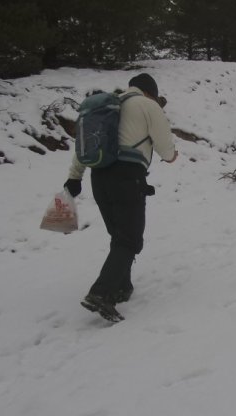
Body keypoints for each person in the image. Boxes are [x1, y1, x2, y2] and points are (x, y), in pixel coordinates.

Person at [63, 73, 178, 322]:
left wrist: (75, 176)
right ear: (150, 93)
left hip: (99, 177)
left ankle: (122, 287)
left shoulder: (107, 106)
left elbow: (87, 146)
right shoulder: (148, 105)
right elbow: (165, 149)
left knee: (119, 235)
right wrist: (171, 155)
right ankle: (101, 293)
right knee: (130, 239)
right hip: (127, 177)